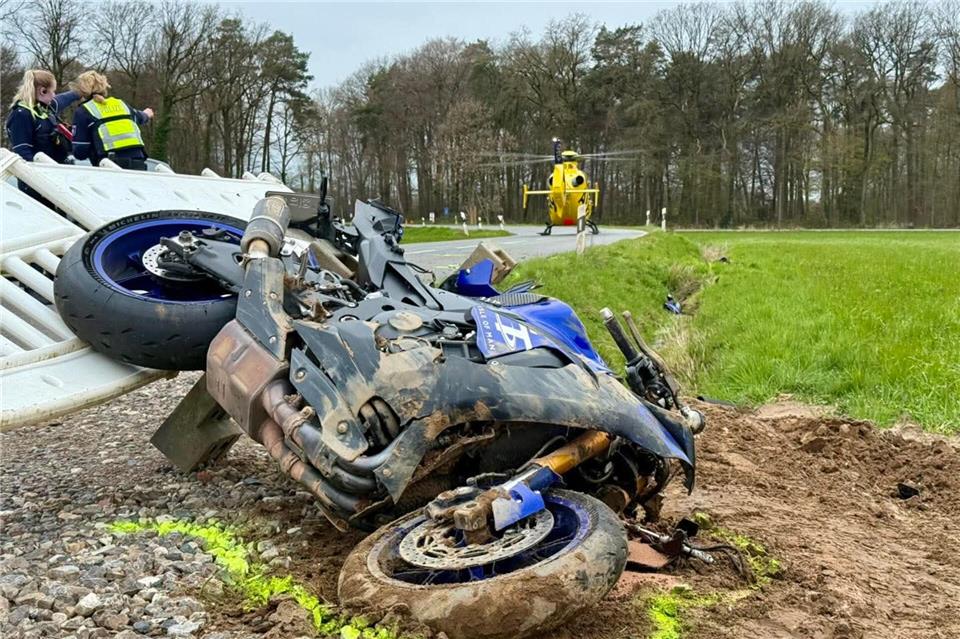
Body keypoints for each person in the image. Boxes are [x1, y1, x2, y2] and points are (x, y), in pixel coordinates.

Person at [5, 69, 80, 197]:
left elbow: (63, 99)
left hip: (55, 176)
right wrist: (40, 180)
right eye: (53, 91)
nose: (54, 95)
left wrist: (79, 92)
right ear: (43, 91)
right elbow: (23, 152)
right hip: (36, 183)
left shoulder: (45, 108)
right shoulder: (22, 115)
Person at [71, 70, 153, 170]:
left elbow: (80, 152)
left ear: (80, 92)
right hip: (138, 162)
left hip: (109, 166)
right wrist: (147, 114)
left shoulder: (83, 111)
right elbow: (140, 116)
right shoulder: (121, 104)